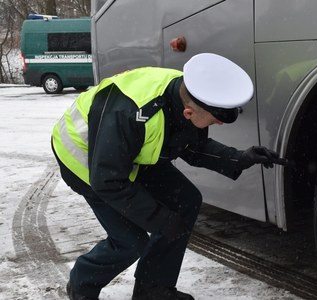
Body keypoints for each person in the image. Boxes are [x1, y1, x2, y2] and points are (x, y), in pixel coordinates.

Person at [51, 53, 285, 300]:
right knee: (130, 241)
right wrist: (160, 219)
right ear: (188, 113)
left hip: (127, 156)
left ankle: (153, 289)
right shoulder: (132, 112)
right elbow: (108, 181)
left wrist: (240, 158)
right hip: (85, 162)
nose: (219, 124)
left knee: (186, 201)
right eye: (215, 120)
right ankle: (81, 284)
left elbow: (190, 145)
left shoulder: (185, 93)